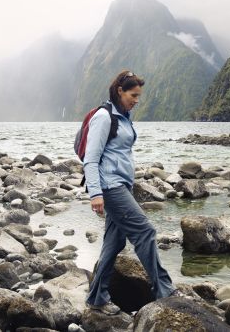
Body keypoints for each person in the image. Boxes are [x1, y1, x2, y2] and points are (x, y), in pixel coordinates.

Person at [84, 70, 181, 315]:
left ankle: (96, 298)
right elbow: (90, 159)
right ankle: (165, 290)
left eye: (139, 96)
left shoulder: (124, 117)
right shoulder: (104, 117)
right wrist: (95, 193)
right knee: (145, 231)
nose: (137, 100)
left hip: (122, 184)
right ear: (120, 91)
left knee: (114, 242)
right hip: (110, 186)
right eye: (133, 95)